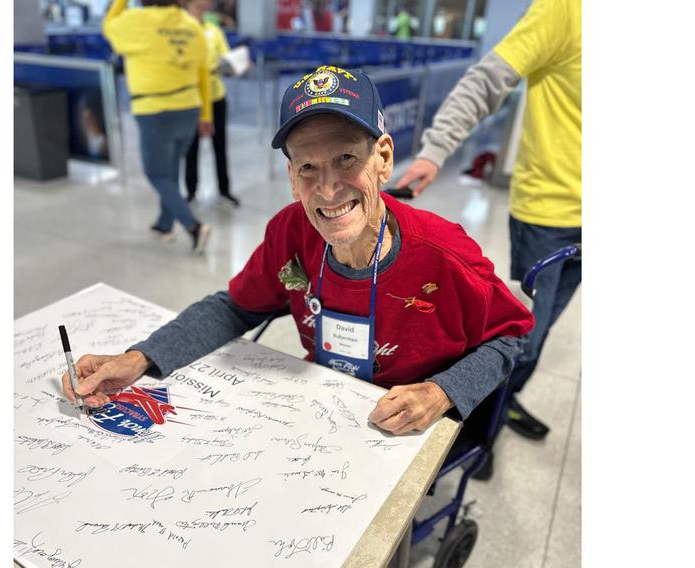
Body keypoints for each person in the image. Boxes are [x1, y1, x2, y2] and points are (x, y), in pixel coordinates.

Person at [63, 65, 534, 438]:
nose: (328, 188)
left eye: (347, 158)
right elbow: (234, 308)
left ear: (384, 158)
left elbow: (513, 334)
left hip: (408, 423)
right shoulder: (290, 232)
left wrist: (442, 392)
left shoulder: (444, 253)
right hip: (322, 408)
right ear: (291, 177)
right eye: (308, 166)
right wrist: (141, 358)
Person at [395, 0, 581, 440]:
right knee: (524, 337)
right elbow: (486, 82)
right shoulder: (567, 10)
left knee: (544, 330)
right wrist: (434, 150)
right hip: (549, 214)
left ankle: (500, 406)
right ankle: (477, 429)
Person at [103, 0, 213, 253]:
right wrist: (206, 112)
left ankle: (193, 226)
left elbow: (108, 25)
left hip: (154, 110)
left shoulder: (135, 22)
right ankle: (165, 224)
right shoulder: (191, 24)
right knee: (171, 168)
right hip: (189, 107)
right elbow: (203, 72)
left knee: (157, 174)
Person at [183, 0, 240, 207]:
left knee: (220, 145)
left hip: (216, 96)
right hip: (191, 98)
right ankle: (191, 191)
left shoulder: (214, 30)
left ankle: (224, 189)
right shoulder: (182, 29)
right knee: (191, 147)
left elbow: (226, 58)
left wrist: (233, 65)